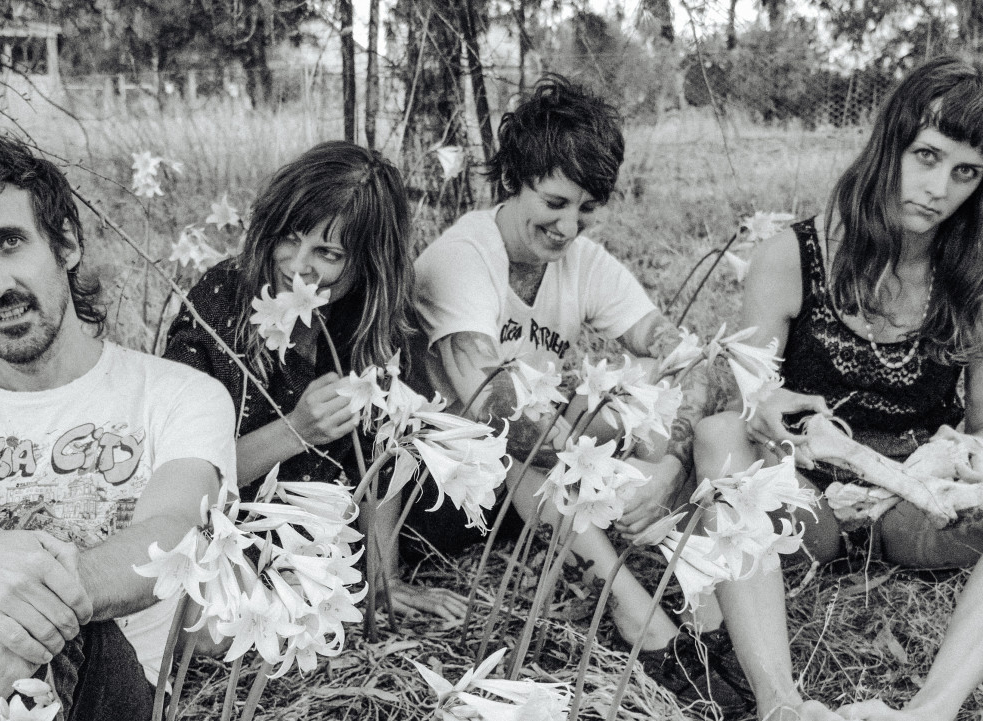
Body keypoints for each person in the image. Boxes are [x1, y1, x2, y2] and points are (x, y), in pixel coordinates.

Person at [412, 75, 752, 714]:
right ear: (516, 177)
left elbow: (692, 361)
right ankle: (637, 618)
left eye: (587, 208)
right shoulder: (463, 258)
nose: (569, 227)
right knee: (527, 430)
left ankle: (704, 609)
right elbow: (494, 406)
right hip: (448, 489)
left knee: (662, 409)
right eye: (555, 201)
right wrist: (593, 458)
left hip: (543, 461)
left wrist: (667, 464)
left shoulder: (582, 262)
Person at [0, 126, 236, 720]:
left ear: (65, 244)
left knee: (75, 635)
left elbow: (172, 534)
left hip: (104, 687)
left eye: (9, 242)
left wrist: (16, 609)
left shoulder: (182, 395)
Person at [693, 55, 983, 721]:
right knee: (719, 434)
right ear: (891, 143)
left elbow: (977, 427)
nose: (939, 187)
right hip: (808, 504)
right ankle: (781, 704)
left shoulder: (969, 278)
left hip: (920, 509)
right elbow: (747, 392)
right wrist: (762, 404)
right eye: (928, 155)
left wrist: (967, 473)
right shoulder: (793, 256)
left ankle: (927, 713)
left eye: (965, 172)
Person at [163, 141, 465, 622]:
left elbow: (380, 460)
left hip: (320, 547)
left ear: (368, 262)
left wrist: (383, 578)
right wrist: (296, 430)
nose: (297, 266)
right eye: (289, 237)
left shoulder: (369, 322)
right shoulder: (221, 303)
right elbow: (179, 480)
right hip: (220, 540)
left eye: (327, 252)